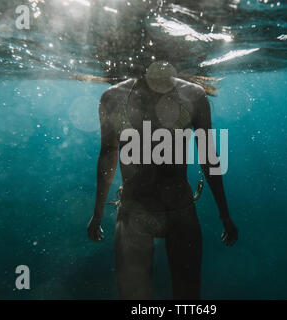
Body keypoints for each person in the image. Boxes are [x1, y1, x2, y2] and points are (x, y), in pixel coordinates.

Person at [87, 61, 238, 299]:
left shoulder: (191, 95)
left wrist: (98, 214)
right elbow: (108, 155)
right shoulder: (189, 95)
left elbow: (108, 155)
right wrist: (224, 215)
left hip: (156, 210)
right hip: (161, 210)